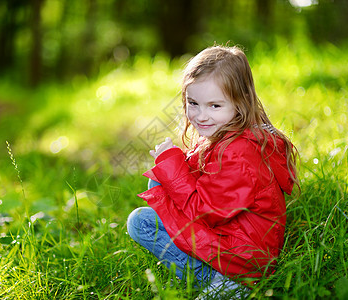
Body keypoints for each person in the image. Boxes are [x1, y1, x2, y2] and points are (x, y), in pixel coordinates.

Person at [127, 45, 299, 298]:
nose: (201, 116)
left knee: (140, 223)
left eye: (214, 106)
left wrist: (171, 164)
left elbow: (206, 212)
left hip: (243, 259)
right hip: (232, 235)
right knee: (159, 186)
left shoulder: (239, 154)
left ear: (240, 103)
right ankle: (216, 274)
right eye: (193, 103)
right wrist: (170, 165)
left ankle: (220, 281)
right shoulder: (227, 135)